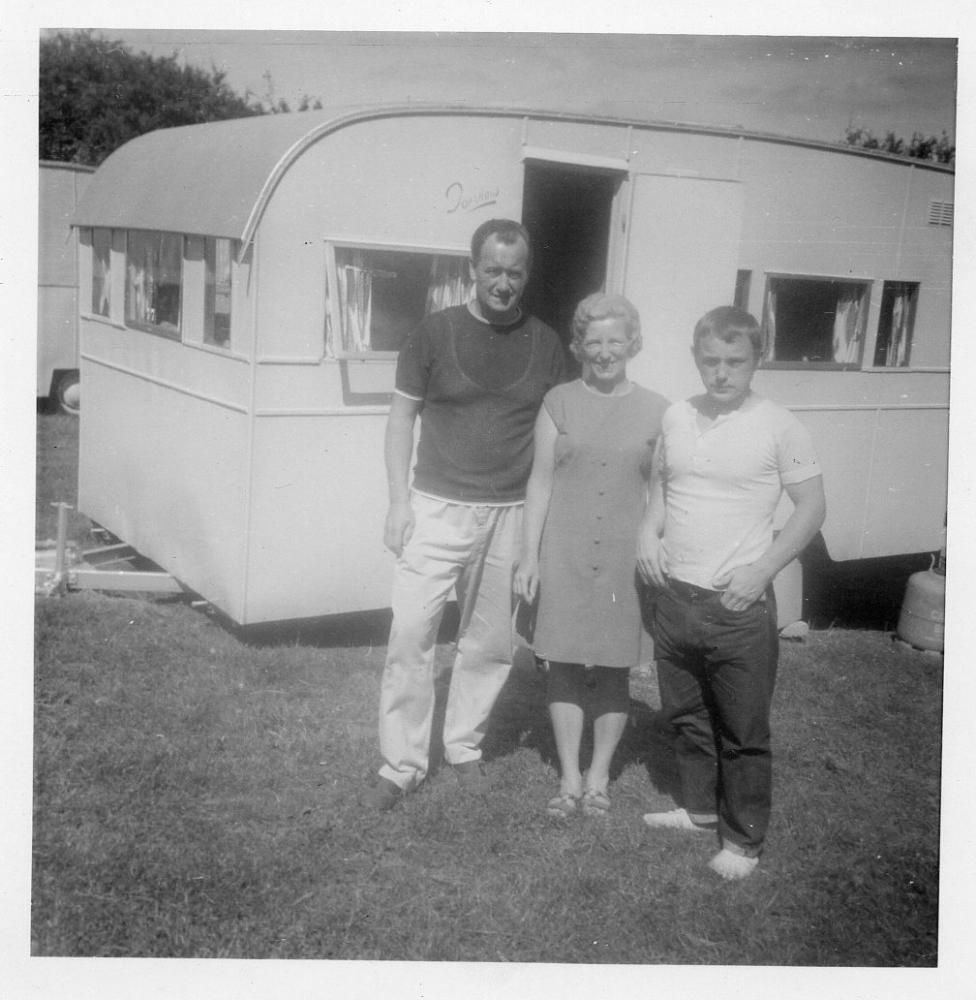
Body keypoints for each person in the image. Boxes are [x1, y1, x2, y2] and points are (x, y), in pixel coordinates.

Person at [365, 219, 566, 810]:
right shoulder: (432, 333)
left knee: (490, 643)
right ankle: (401, 764)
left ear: (527, 273)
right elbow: (400, 420)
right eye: (493, 270)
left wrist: (536, 537)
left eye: (515, 272)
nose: (503, 283)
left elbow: (552, 444)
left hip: (509, 512)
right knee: (410, 634)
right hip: (436, 508)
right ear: (472, 269)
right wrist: (399, 502)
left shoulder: (547, 343)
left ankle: (463, 746)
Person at [637, 305, 826, 879]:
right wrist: (649, 530)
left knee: (743, 730)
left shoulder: (781, 425)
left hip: (737, 604)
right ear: (697, 359)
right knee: (687, 715)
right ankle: (698, 811)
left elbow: (813, 508)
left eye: (734, 362)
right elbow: (661, 485)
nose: (721, 373)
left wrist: (762, 570)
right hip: (674, 597)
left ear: (756, 360)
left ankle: (743, 841)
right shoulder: (676, 416)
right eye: (710, 361)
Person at [514, 293, 669, 818]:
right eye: (594, 341)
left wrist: (653, 538)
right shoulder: (558, 401)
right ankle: (569, 776)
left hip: (624, 554)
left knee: (613, 666)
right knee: (561, 660)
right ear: (580, 345)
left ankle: (599, 777)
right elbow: (539, 483)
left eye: (615, 341)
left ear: (633, 344)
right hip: (565, 548)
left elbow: (664, 491)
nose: (604, 352)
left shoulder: (658, 410)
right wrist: (529, 557)